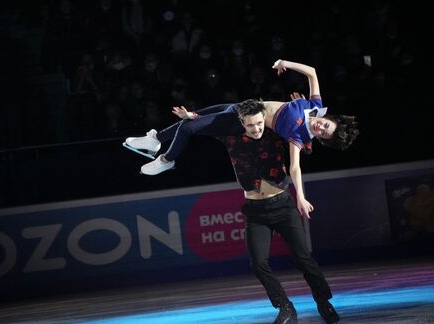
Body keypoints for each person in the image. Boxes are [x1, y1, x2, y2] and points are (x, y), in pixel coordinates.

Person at [125, 59, 359, 218]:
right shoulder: (314, 105)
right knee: (188, 119)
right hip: (242, 106)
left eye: (323, 133)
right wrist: (283, 63)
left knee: (188, 128)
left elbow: (295, 168)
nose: (320, 127)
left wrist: (301, 197)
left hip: (241, 121)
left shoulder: (298, 136)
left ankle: (167, 160)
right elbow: (312, 72)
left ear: (321, 138)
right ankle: (156, 139)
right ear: (329, 118)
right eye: (326, 125)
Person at [217, 99, 340, 324]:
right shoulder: (230, 137)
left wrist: (303, 110)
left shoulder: (276, 133)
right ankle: (285, 308)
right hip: (255, 211)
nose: (256, 128)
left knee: (303, 257)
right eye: (251, 125)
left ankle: (323, 302)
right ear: (242, 122)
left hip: (282, 206)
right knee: (258, 263)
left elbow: (302, 131)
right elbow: (205, 125)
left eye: (260, 123)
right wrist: (191, 118)